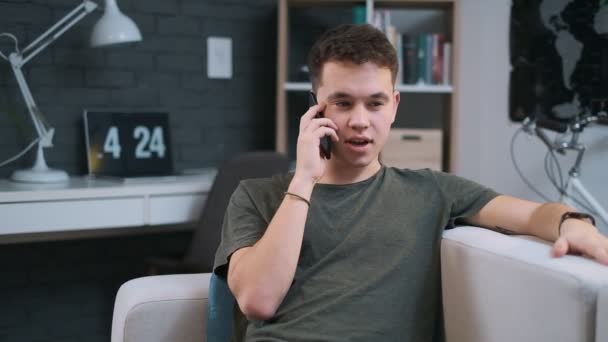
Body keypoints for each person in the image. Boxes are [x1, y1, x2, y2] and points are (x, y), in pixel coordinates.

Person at [213, 24, 608, 341]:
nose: (360, 121)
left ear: (395, 105)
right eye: (343, 102)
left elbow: (534, 213)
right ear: (315, 106)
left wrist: (574, 222)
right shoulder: (257, 195)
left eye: (375, 102)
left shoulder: (432, 191)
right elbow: (258, 301)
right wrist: (304, 179)